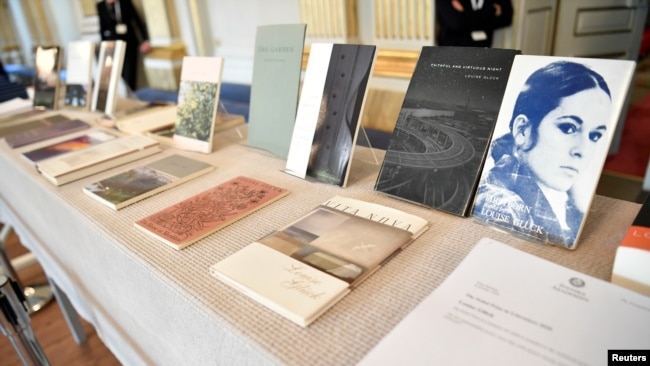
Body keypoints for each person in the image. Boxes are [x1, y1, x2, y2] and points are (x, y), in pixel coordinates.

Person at [473, 61, 613, 247]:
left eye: (594, 135)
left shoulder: (569, 206)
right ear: (523, 130)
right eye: (568, 127)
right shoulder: (503, 204)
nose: (582, 150)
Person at [96, 0, 151, 91]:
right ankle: (124, 95)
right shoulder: (101, 6)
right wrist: (104, 47)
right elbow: (102, 28)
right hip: (113, 45)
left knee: (130, 74)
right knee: (118, 74)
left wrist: (145, 40)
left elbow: (137, 21)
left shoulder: (125, 2)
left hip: (129, 44)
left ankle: (131, 95)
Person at [436, 0, 513, 47]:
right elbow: (456, 22)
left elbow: (506, 19)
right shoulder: (491, 10)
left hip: (484, 51)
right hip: (451, 49)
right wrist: (491, 10)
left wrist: (466, 15)